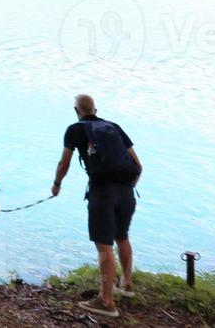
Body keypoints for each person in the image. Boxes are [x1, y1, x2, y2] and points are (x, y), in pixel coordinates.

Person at [50, 93, 143, 319]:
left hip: (102, 193)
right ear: (96, 109)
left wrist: (56, 184)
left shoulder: (75, 129)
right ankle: (127, 285)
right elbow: (138, 165)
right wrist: (126, 187)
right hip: (127, 191)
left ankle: (106, 300)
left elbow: (64, 162)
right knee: (122, 236)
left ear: (76, 111)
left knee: (104, 246)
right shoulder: (113, 126)